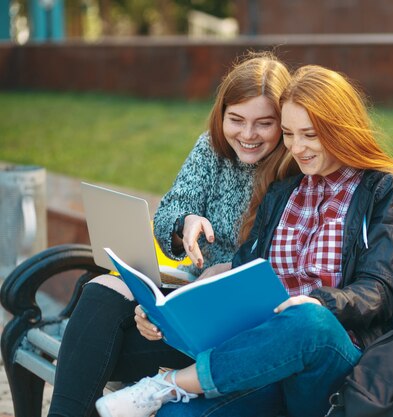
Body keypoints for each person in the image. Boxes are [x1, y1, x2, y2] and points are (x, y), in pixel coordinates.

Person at [95, 65, 393, 417]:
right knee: (178, 416)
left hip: (340, 365)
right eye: (289, 134)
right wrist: (166, 314)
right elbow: (242, 273)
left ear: (340, 128)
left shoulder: (387, 191)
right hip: (269, 361)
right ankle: (172, 393)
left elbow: (378, 292)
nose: (298, 147)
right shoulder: (283, 192)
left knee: (309, 321)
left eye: (310, 134)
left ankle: (169, 385)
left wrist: (319, 302)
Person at [48, 51, 296, 417]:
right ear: (221, 114)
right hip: (195, 304)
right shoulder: (212, 149)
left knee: (91, 350)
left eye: (264, 123)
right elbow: (170, 212)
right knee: (103, 289)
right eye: (236, 119)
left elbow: (288, 259)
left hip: (245, 329)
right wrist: (185, 225)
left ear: (283, 122)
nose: (247, 134)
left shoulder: (293, 168)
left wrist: (227, 268)